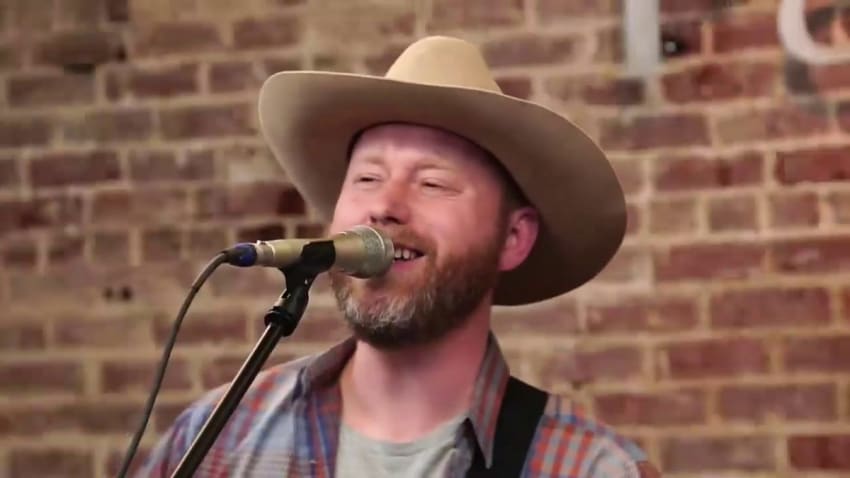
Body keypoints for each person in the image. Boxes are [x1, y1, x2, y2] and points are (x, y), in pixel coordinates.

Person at [135, 35, 661, 477]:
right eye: (367, 178)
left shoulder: (590, 467)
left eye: (432, 182)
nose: (384, 206)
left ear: (513, 239)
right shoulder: (215, 441)